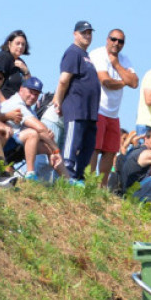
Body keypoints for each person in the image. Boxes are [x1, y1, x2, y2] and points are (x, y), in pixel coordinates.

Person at [88, 29, 138, 187]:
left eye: (120, 41)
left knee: (110, 151)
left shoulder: (123, 59)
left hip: (114, 114)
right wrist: (124, 81)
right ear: (107, 39)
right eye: (114, 39)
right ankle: (89, 184)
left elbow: (135, 83)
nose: (116, 43)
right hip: (98, 109)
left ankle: (101, 187)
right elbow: (106, 81)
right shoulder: (97, 54)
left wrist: (116, 64)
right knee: (94, 149)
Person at [52, 20, 100, 182]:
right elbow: (64, 79)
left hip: (90, 112)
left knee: (88, 146)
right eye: (83, 32)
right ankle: (67, 176)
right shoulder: (73, 52)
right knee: (72, 145)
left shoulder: (86, 55)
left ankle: (78, 177)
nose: (87, 35)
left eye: (89, 32)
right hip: (76, 108)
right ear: (75, 34)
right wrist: (58, 100)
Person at [0, 77, 70, 181]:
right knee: (32, 134)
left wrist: (47, 137)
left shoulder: (28, 108)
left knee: (47, 145)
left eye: (36, 94)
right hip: (2, 146)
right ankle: (30, 174)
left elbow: (42, 130)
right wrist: (55, 149)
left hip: (16, 145)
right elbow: (40, 128)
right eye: (30, 92)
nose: (33, 97)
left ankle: (68, 180)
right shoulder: (16, 103)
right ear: (21, 89)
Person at [0, 30, 31, 99]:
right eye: (17, 43)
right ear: (9, 44)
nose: (20, 47)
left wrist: (26, 71)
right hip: (0, 105)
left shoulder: (21, 63)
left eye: (23, 44)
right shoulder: (3, 58)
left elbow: (30, 87)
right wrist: (5, 103)